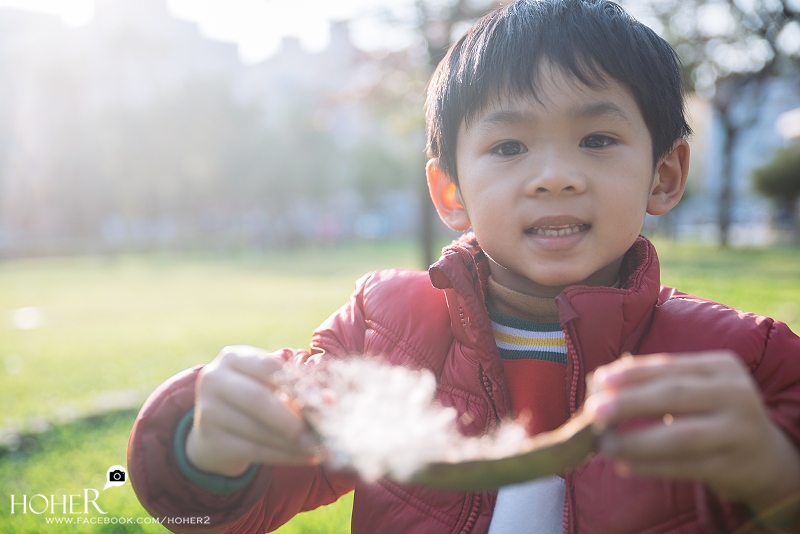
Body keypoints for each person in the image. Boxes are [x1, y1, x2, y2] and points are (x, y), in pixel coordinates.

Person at [127, 0, 800, 532]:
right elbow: (235, 500)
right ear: (450, 193)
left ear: (665, 174)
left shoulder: (741, 361)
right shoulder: (385, 333)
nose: (556, 177)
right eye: (508, 146)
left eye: (597, 139)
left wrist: (774, 473)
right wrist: (208, 446)